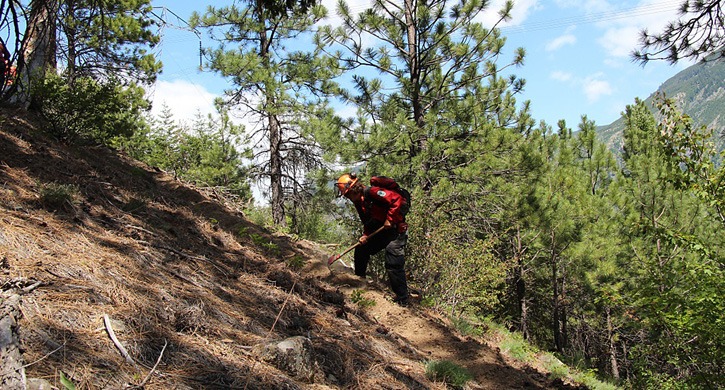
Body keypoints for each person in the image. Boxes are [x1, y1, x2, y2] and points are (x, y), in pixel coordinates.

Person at [336, 173, 411, 306]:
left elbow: (396, 200)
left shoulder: (373, 192)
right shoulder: (359, 203)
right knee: (361, 249)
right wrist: (365, 235)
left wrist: (390, 219)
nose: (348, 198)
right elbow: (368, 222)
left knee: (393, 260)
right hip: (381, 231)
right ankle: (359, 281)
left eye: (348, 195)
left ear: (354, 189)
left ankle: (402, 298)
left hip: (395, 230)